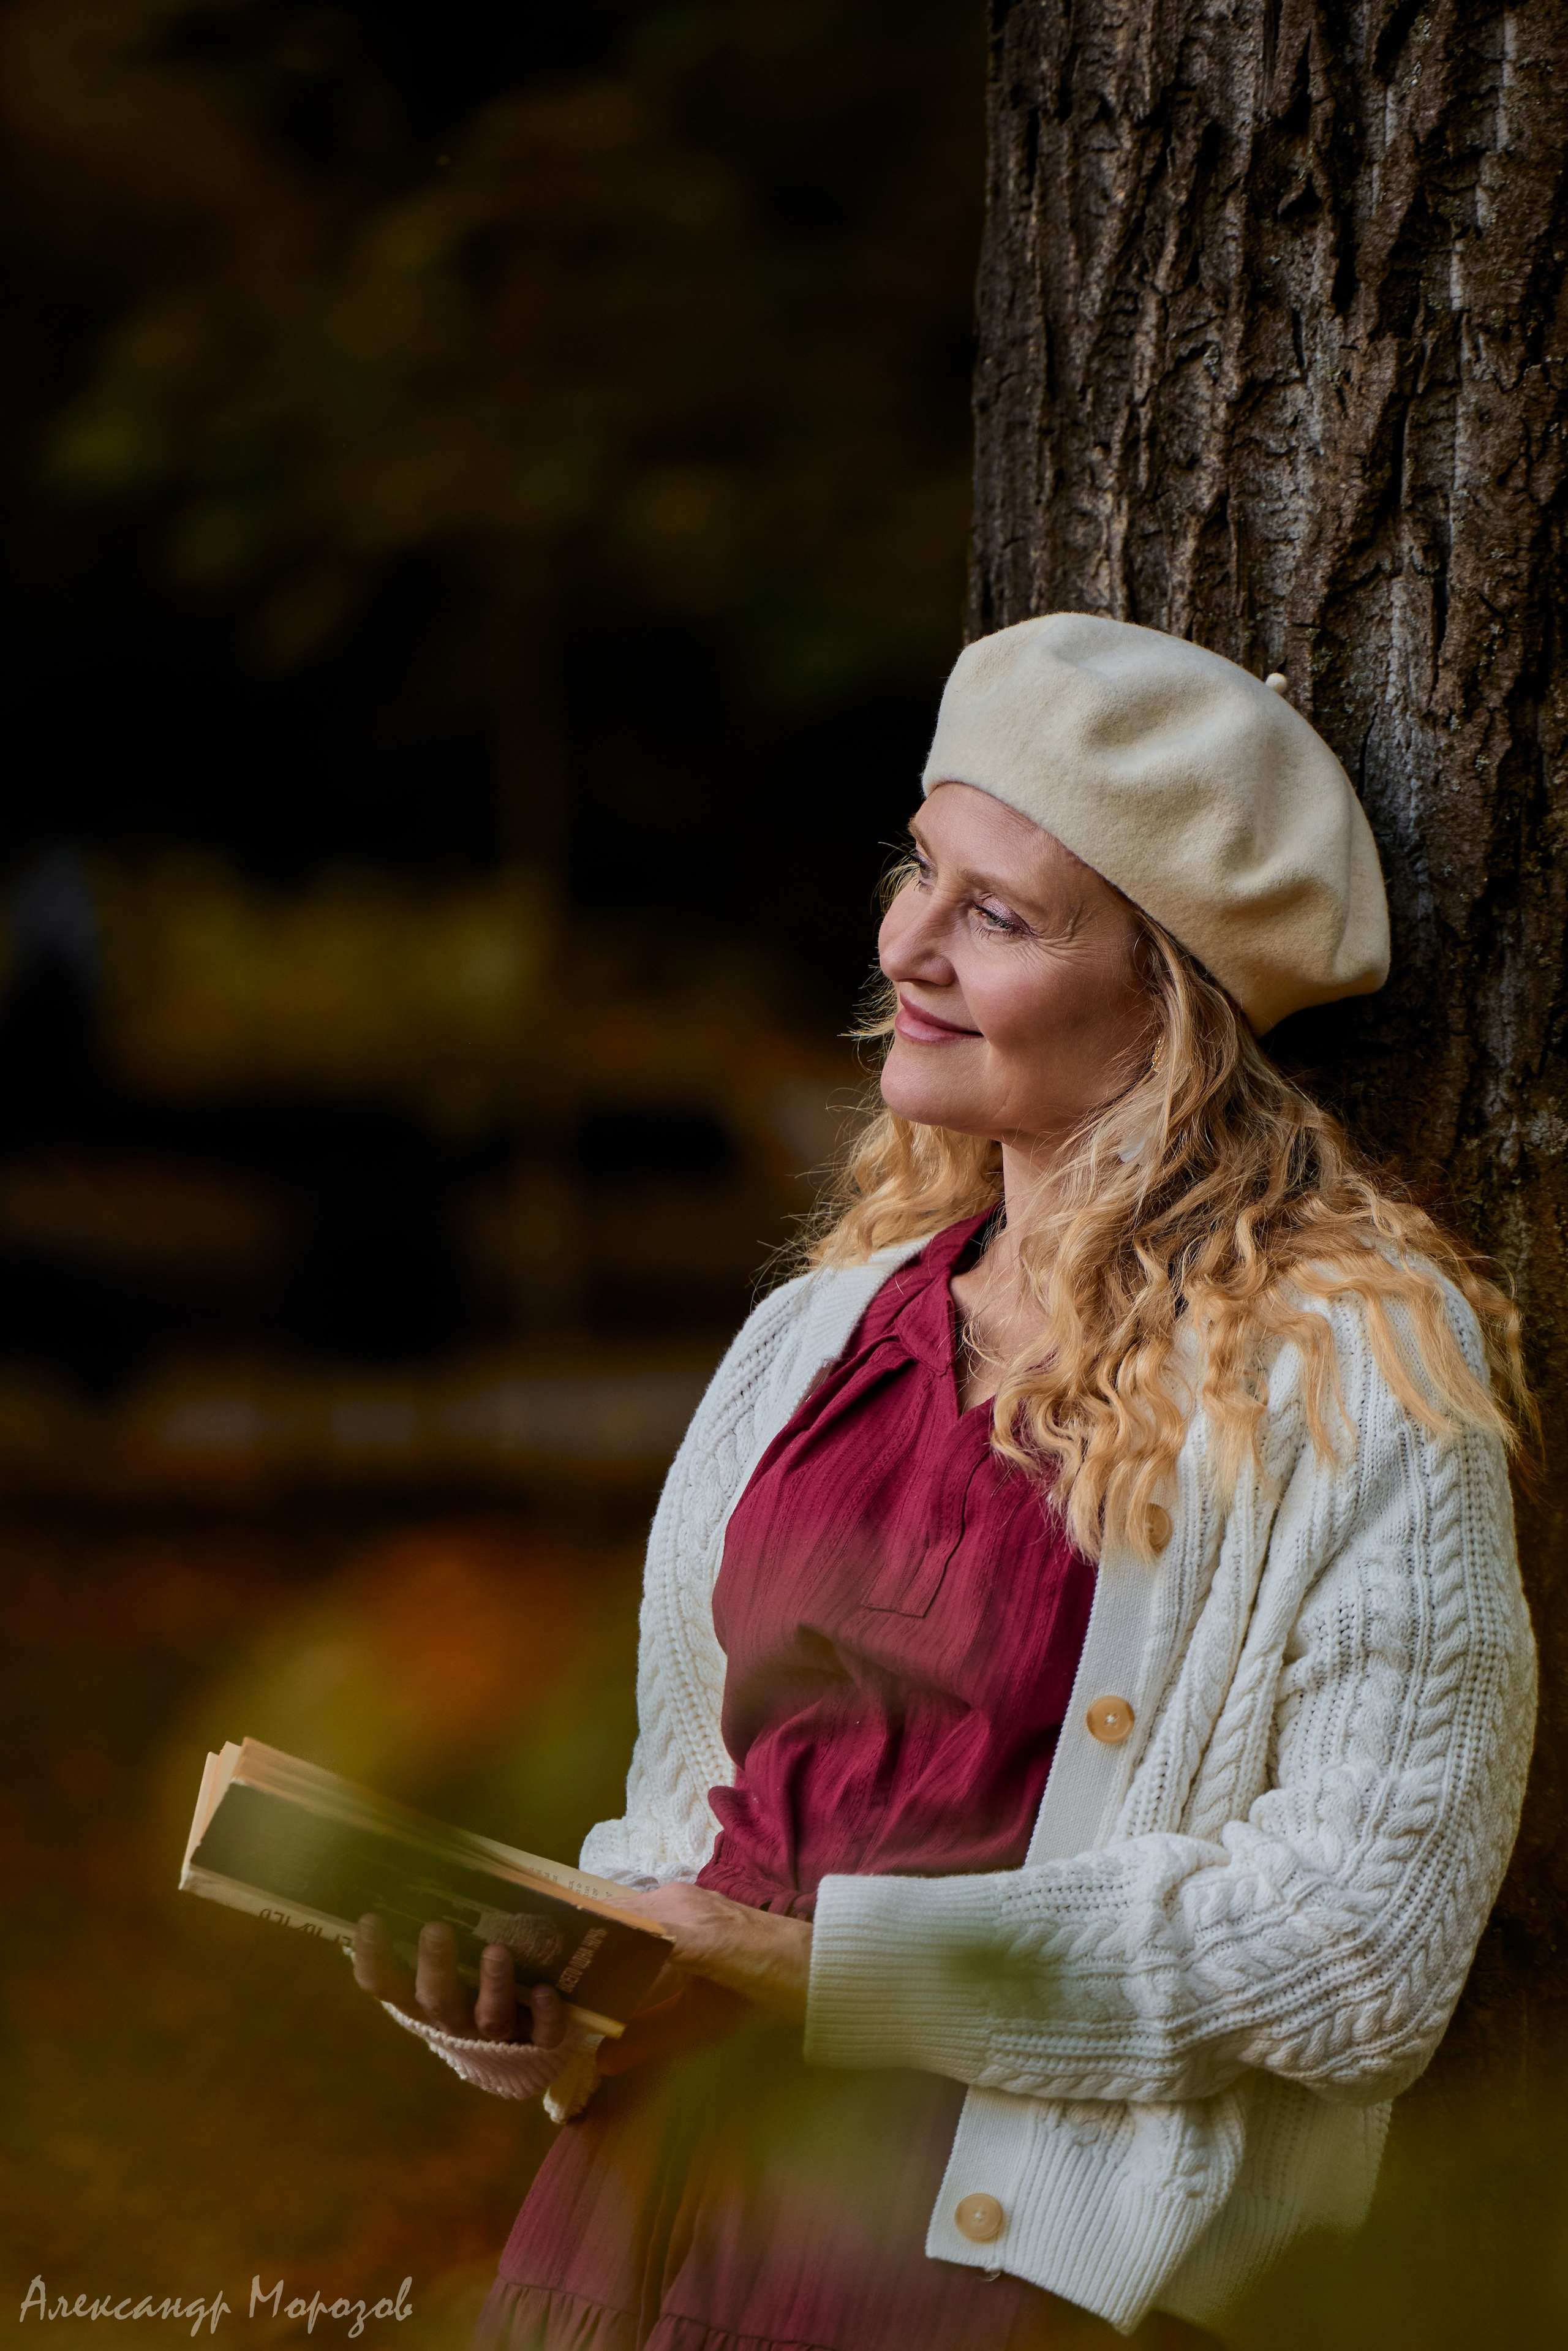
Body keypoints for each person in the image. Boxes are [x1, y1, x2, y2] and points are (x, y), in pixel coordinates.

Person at [353, 615, 1536, 2347]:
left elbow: (1361, 1947)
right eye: (921, 872)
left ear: (1170, 995)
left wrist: (815, 1974)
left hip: (987, 2280)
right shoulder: (817, 1335)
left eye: (997, 915)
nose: (905, 944)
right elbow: (693, 1833)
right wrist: (538, 1990)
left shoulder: (1347, 1361)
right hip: (635, 2223)